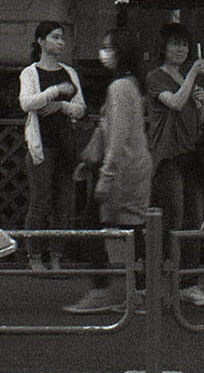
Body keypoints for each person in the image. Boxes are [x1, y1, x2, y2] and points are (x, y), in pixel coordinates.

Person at [65, 27, 153, 315]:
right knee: (134, 229)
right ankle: (140, 292)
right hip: (135, 166)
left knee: (94, 225)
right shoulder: (132, 85)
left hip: (122, 170)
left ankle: (102, 290)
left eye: (109, 47)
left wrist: (105, 175)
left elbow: (116, 136)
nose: (104, 53)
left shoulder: (118, 88)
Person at [146, 21, 204, 306]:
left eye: (184, 44)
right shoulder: (154, 77)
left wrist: (200, 103)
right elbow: (173, 103)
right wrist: (192, 78)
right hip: (167, 155)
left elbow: (198, 122)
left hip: (190, 154)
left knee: (194, 218)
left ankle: (189, 282)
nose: (180, 49)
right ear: (163, 47)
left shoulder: (188, 79)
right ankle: (164, 281)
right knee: (173, 217)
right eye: (175, 44)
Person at [18, 20, 87, 272]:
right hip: (42, 144)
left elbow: (81, 108)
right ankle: (34, 256)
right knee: (40, 200)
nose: (60, 42)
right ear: (41, 41)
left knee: (63, 203)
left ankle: (57, 255)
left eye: (62, 38)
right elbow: (26, 103)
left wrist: (62, 106)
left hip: (65, 142)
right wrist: (54, 91)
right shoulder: (30, 73)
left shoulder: (69, 72)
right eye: (55, 37)